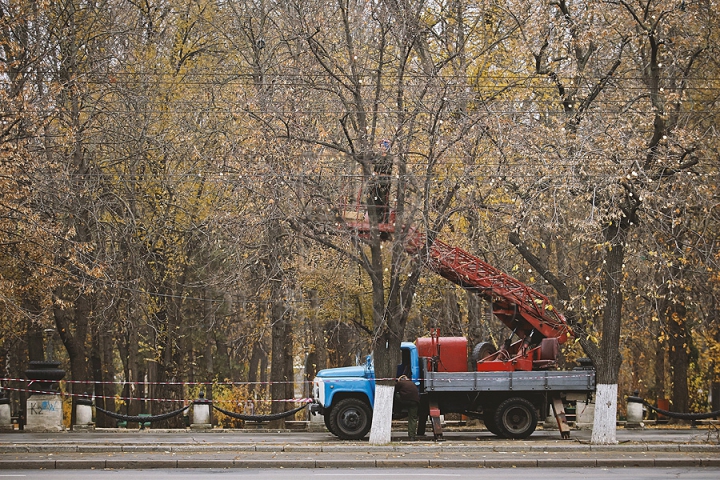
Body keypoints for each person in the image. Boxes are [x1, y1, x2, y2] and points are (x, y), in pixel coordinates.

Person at [394, 375, 420, 440]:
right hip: (415, 401)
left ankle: (397, 411)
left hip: (405, 400)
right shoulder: (412, 383)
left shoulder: (400, 383)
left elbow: (394, 390)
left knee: (395, 395)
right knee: (413, 419)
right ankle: (412, 436)